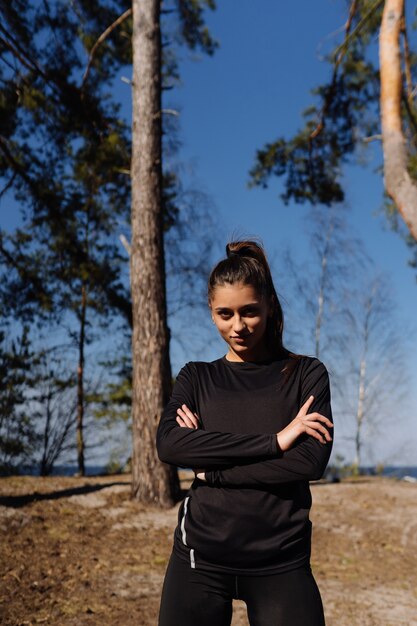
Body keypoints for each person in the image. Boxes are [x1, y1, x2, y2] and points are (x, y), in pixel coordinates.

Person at [156, 239, 333, 626]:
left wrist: (210, 467)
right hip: (197, 559)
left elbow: (308, 461)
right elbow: (170, 444)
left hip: (281, 561)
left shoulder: (306, 373)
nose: (238, 326)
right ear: (211, 311)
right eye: (225, 313)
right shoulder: (196, 377)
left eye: (250, 311)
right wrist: (276, 441)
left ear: (269, 304)